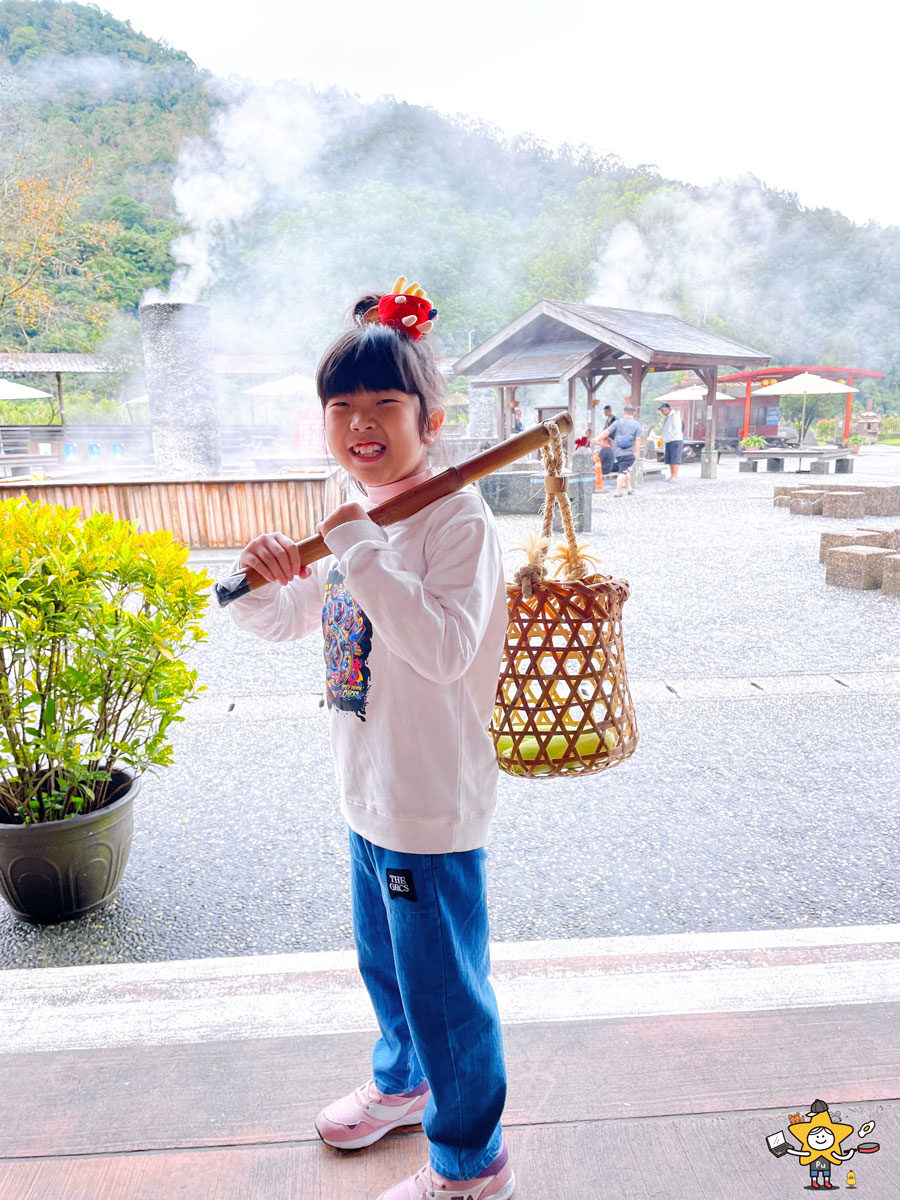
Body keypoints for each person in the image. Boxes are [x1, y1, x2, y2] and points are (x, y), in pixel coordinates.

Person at [227, 280, 515, 1200]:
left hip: (430, 801)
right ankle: (403, 1082)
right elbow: (298, 621)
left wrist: (355, 542)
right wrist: (264, 582)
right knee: (387, 970)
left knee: (447, 995)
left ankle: (472, 1166)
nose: (361, 422)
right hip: (367, 788)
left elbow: (439, 649)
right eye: (341, 406)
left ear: (428, 418)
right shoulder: (347, 504)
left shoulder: (456, 517)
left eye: (385, 404)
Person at [607, 403, 644, 496]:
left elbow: (607, 431)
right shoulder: (637, 424)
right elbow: (638, 439)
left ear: (624, 412)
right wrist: (636, 451)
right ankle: (617, 492)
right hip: (629, 452)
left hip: (618, 452)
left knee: (625, 469)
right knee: (623, 471)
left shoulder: (618, 422)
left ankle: (629, 489)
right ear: (634, 413)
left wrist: (597, 438)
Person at [659, 402, 685, 482]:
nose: (662, 412)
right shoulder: (668, 417)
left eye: (663, 410)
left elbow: (677, 429)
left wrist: (671, 436)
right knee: (670, 459)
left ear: (667, 409)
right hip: (669, 440)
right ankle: (671, 475)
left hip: (675, 440)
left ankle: (675, 476)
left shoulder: (675, 416)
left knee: (675, 459)